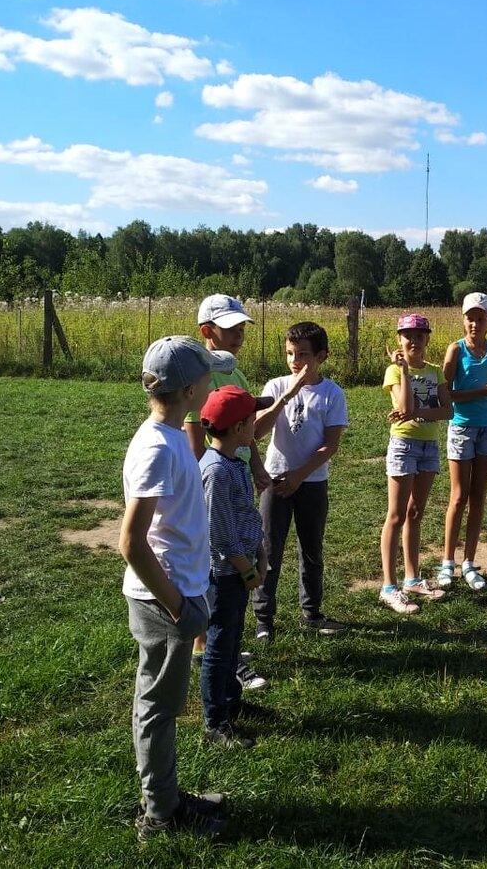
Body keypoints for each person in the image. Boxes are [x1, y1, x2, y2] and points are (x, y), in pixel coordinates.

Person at [119, 336, 233, 841]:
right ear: (189, 390)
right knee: (158, 710)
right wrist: (178, 607)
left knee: (163, 708)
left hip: (179, 594)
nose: (213, 383)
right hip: (163, 602)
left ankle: (165, 796)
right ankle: (160, 817)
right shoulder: (156, 448)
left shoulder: (167, 437)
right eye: (208, 376)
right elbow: (131, 542)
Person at [183, 293, 271, 691]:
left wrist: (254, 464)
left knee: (228, 572)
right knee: (217, 568)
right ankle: (214, 652)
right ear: (207, 331)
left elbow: (246, 426)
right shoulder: (198, 377)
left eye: (241, 327)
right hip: (215, 479)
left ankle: (218, 646)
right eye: (230, 327)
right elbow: (196, 441)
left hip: (234, 470)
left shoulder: (234, 372)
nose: (239, 334)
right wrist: (217, 473)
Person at [253, 321, 348, 637]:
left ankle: (312, 613)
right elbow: (256, 431)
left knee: (311, 549)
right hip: (275, 480)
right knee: (269, 549)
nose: (295, 361)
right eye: (290, 354)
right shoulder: (276, 386)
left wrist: (300, 475)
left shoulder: (332, 393)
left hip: (311, 482)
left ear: (321, 356)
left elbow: (330, 444)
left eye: (303, 354)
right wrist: (287, 395)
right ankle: (264, 620)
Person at [198, 386, 271, 748]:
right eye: (253, 417)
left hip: (240, 570)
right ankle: (215, 723)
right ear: (240, 426)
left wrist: (259, 553)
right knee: (218, 646)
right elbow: (221, 536)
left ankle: (232, 702)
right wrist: (248, 571)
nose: (256, 423)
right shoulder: (216, 472)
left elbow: (244, 517)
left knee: (230, 643)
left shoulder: (234, 463)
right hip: (224, 574)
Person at [437, 292, 487, 590]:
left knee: (478, 497)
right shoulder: (455, 351)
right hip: (461, 428)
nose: (475, 323)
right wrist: (483, 390)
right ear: (464, 319)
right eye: (470, 318)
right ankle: (447, 562)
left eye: (480, 318)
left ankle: (469, 562)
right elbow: (446, 394)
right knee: (458, 497)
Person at [378, 314, 454, 614]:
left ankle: (412, 578)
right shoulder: (393, 372)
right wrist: (405, 372)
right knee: (396, 515)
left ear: (427, 338)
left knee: (415, 512)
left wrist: (418, 413)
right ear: (399, 339)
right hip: (403, 445)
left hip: (429, 446)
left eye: (419, 335)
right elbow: (403, 408)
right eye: (407, 335)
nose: (413, 340)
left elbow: (447, 410)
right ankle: (389, 586)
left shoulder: (436, 372)